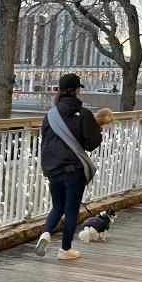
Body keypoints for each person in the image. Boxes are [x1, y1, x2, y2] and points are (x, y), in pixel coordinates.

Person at [34, 72, 102, 262]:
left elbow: (46, 142)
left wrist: (48, 167)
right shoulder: (84, 114)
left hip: (54, 169)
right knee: (71, 210)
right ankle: (65, 249)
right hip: (74, 171)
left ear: (60, 90)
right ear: (77, 90)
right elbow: (91, 143)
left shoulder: (50, 115)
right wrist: (98, 128)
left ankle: (46, 233)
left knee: (57, 206)